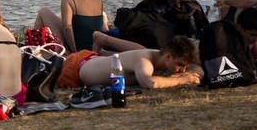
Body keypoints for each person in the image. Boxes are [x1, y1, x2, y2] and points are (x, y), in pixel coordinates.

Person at [71, 33, 201, 89]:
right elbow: (149, 83)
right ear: (168, 57)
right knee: (141, 53)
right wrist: (182, 79)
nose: (182, 69)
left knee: (141, 50)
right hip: (77, 66)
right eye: (180, 65)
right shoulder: (145, 62)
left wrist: (186, 74)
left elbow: (198, 70)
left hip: (95, 60)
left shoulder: (156, 55)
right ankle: (103, 40)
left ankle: (104, 44)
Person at [32, 0, 108, 52]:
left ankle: (33, 48)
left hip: (76, 46)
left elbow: (67, 28)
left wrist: (74, 51)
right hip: (94, 44)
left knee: (43, 12)